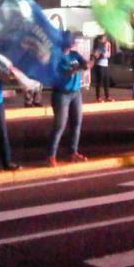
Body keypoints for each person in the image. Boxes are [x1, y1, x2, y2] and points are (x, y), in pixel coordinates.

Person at [47, 34, 92, 167]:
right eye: (69, 42)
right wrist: (78, 68)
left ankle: (73, 152)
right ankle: (51, 155)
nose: (71, 44)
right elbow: (64, 73)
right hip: (61, 94)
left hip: (75, 92)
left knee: (76, 123)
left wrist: (90, 62)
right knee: (59, 125)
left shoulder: (74, 54)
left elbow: (86, 64)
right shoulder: (56, 56)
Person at [91, 34, 113, 102]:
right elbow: (95, 55)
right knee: (99, 81)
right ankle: (98, 97)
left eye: (105, 39)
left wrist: (108, 47)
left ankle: (107, 96)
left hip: (105, 65)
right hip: (99, 65)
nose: (105, 40)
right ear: (100, 40)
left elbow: (109, 55)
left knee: (106, 81)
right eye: (103, 39)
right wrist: (99, 54)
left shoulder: (106, 46)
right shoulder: (99, 46)